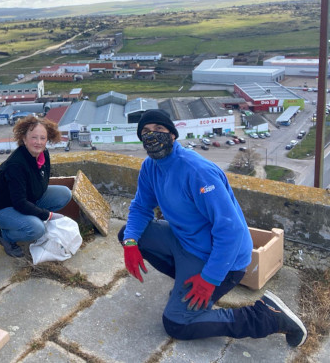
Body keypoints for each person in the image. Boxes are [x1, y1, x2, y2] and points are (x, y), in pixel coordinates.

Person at [119, 109, 307, 347]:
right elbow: (140, 207)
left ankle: (268, 316)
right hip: (184, 241)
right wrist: (130, 243)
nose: (152, 136)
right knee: (129, 233)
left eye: (159, 130)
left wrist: (209, 279)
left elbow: (231, 232)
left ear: (173, 135)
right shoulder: (151, 166)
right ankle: (184, 284)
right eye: (145, 132)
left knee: (177, 323)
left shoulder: (196, 171)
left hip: (218, 257)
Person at [0, 115, 72, 258]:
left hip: (27, 200)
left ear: (47, 140)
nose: (38, 142)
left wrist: (38, 211)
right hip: (1, 209)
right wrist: (48, 215)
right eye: (34, 137)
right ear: (24, 139)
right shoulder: (16, 165)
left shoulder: (43, 155)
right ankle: (5, 236)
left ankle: (29, 220)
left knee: (64, 193)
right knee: (37, 229)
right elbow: (19, 202)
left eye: (42, 138)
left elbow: (40, 184)